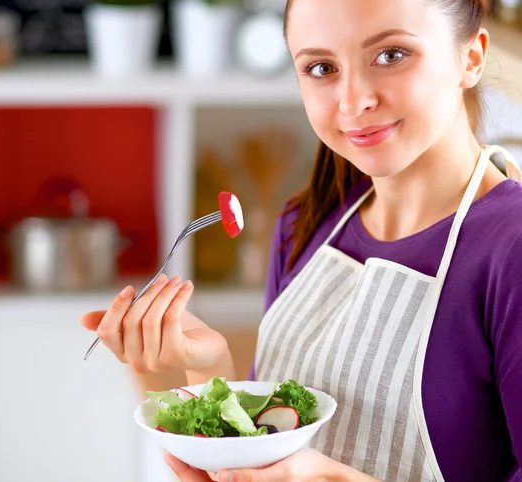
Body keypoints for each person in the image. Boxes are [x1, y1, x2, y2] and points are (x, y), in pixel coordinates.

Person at [80, 0, 522, 480]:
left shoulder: (510, 249)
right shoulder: (304, 224)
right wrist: (208, 370)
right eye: (321, 68)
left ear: (471, 57)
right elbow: (272, 449)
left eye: (391, 55)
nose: (353, 102)